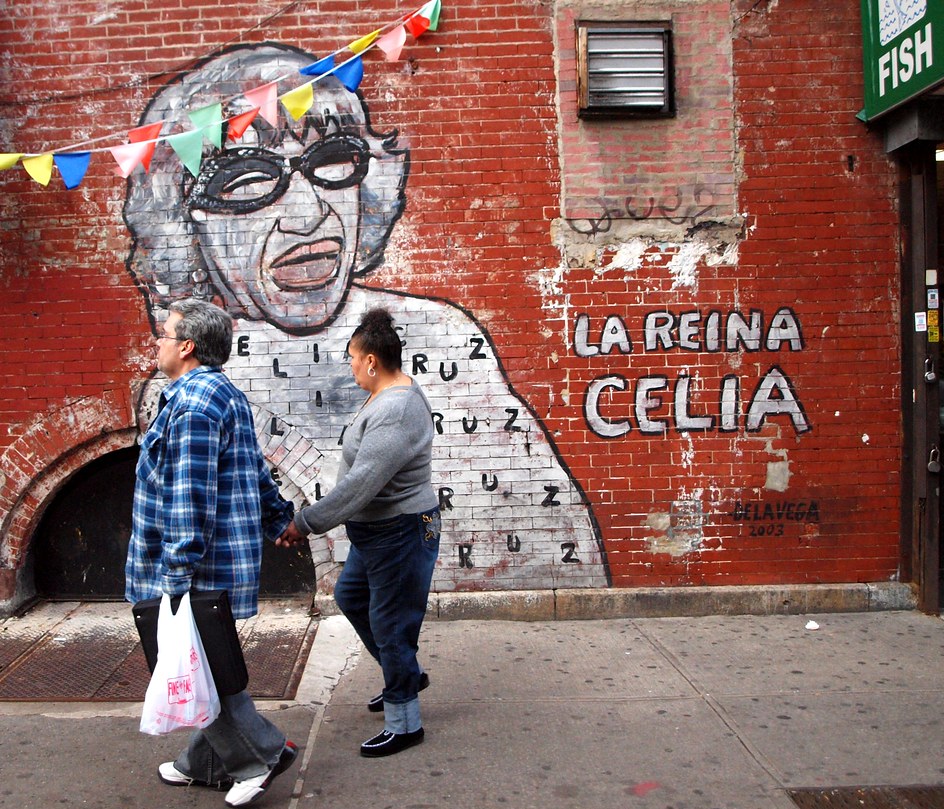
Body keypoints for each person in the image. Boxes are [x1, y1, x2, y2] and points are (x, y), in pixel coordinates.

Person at [124, 43, 608, 598]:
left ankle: (401, 685)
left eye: (334, 163)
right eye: (248, 181)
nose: (310, 217)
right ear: (183, 226)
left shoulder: (444, 339)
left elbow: (563, 549)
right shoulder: (198, 384)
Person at [125, 297, 301, 809]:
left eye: (165, 334)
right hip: (210, 560)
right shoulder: (220, 394)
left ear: (188, 345)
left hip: (194, 565)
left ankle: (262, 755)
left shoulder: (195, 405)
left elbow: (190, 496)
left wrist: (175, 575)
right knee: (203, 661)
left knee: (197, 668)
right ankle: (200, 762)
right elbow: (253, 468)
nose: (157, 342)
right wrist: (277, 519)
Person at [278, 307, 440, 757]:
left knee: (392, 624)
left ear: (371, 360)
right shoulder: (387, 393)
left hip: (400, 532)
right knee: (353, 598)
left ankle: (405, 722)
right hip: (378, 535)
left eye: (352, 356)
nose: (348, 364)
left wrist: (305, 523)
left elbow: (362, 485)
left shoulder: (394, 409)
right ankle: (404, 674)